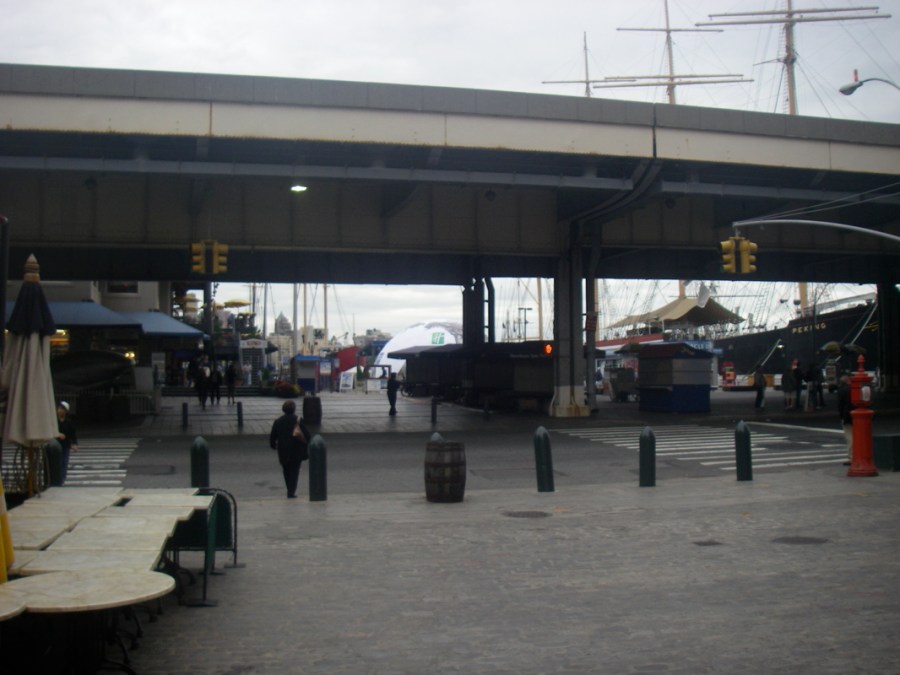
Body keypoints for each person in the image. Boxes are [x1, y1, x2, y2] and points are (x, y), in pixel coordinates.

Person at [269, 400, 310, 498]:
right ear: (294, 409)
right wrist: (306, 444)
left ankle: (289, 489)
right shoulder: (298, 420)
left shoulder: (278, 421)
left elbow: (273, 437)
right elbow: (307, 435)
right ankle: (291, 491)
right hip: (296, 450)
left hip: (283, 450)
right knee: (294, 471)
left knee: (286, 471)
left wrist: (273, 445)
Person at [49, 401, 78, 485]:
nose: (60, 410)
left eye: (62, 409)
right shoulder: (54, 421)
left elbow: (73, 434)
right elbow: (51, 432)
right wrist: (57, 434)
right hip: (55, 446)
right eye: (59, 408)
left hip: (65, 445)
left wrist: (75, 444)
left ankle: (62, 480)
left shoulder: (69, 422)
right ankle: (57, 480)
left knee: (64, 463)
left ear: (66, 411)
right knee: (56, 463)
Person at [837, 374, 853, 466]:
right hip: (855, 414)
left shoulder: (842, 390)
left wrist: (841, 416)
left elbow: (840, 405)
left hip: (846, 415)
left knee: (849, 436)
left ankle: (851, 456)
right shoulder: (854, 388)